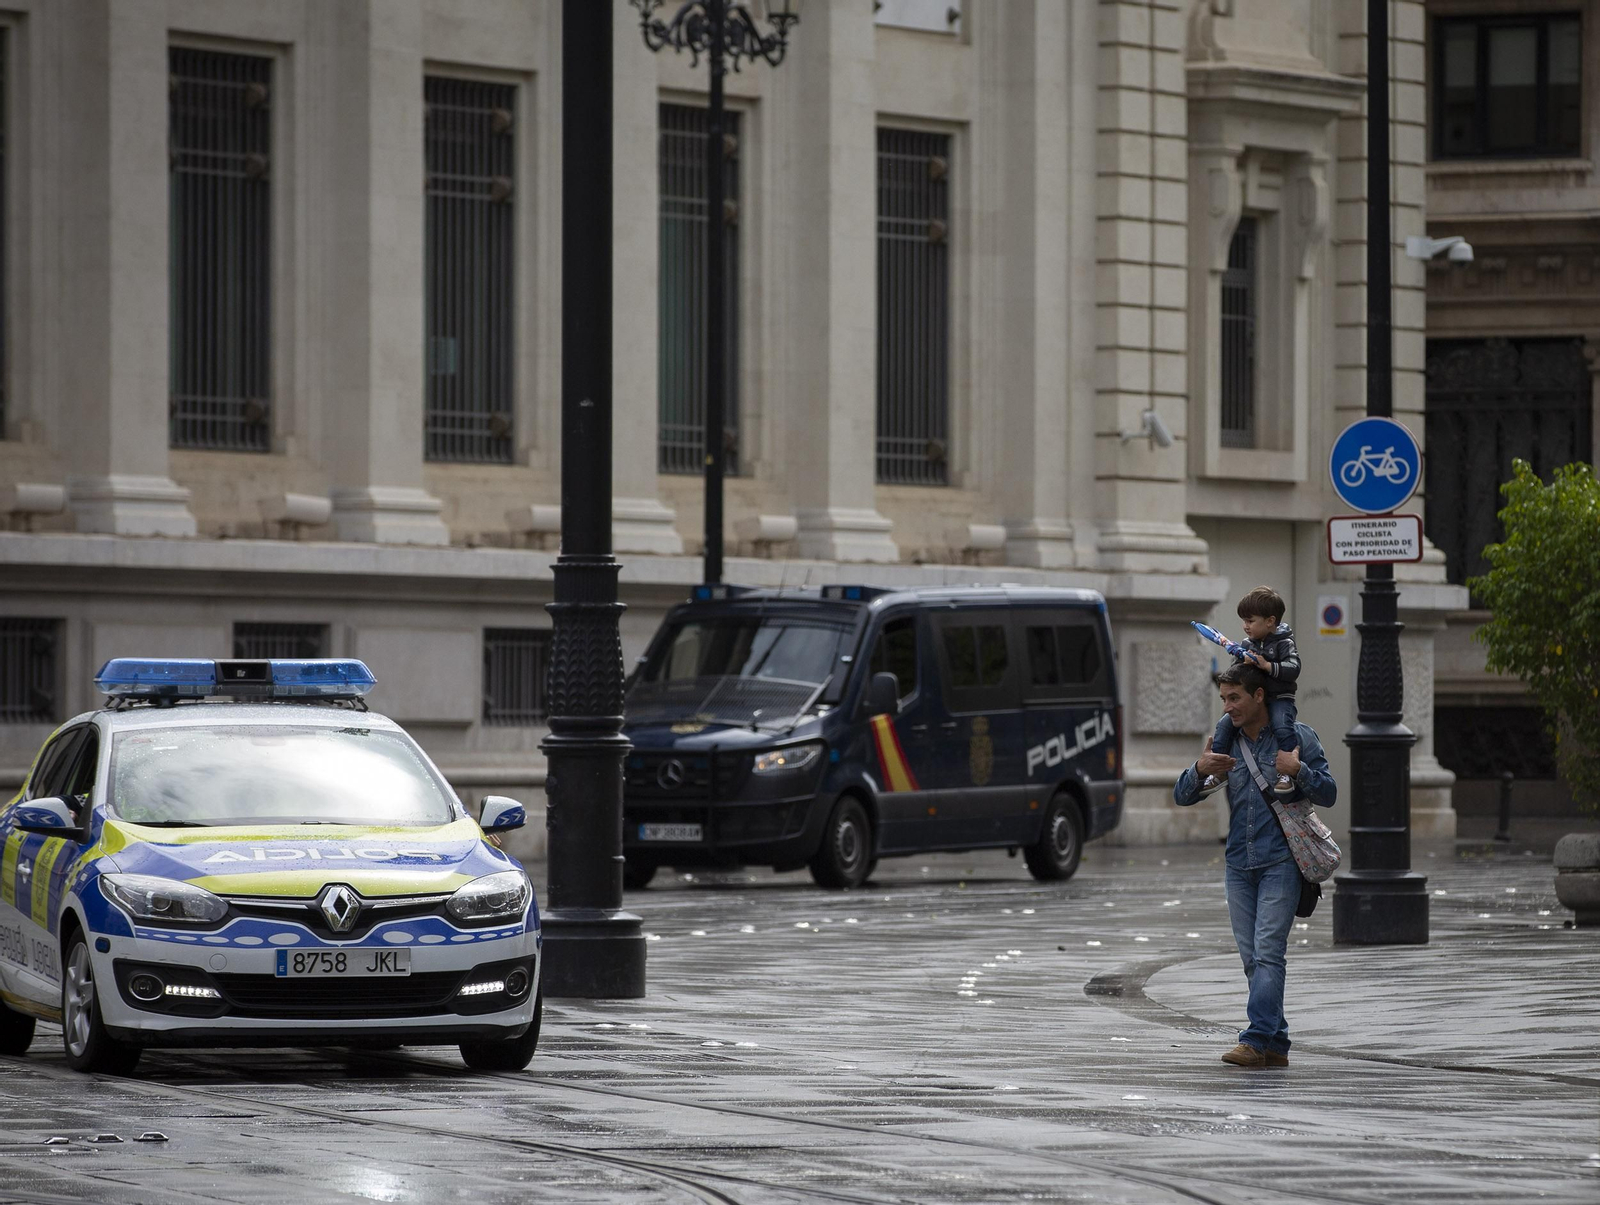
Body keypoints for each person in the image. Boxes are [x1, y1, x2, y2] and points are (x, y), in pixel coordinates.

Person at [1172, 663, 1337, 1068]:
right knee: (1252, 958)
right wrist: (1199, 771)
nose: (1227, 707)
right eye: (1224, 699)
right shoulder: (1227, 741)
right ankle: (1276, 1043)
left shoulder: (1295, 737)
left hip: (1281, 861)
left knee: (1267, 953)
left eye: (1235, 698)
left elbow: (1329, 792)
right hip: (1238, 864)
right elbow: (1181, 796)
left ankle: (1255, 1037)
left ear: (1259, 695)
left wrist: (1297, 770)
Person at [1196, 585, 1301, 799]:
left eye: (1250, 621)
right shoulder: (1247, 644)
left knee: (1282, 725)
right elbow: (1236, 677)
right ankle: (1219, 770)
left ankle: (1286, 773)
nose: (1245, 626)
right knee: (1224, 725)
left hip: (1279, 697)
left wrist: (1268, 666)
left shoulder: (1284, 643)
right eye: (1244, 621)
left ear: (1270, 621)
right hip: (1256, 700)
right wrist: (1242, 663)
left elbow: (1294, 668)